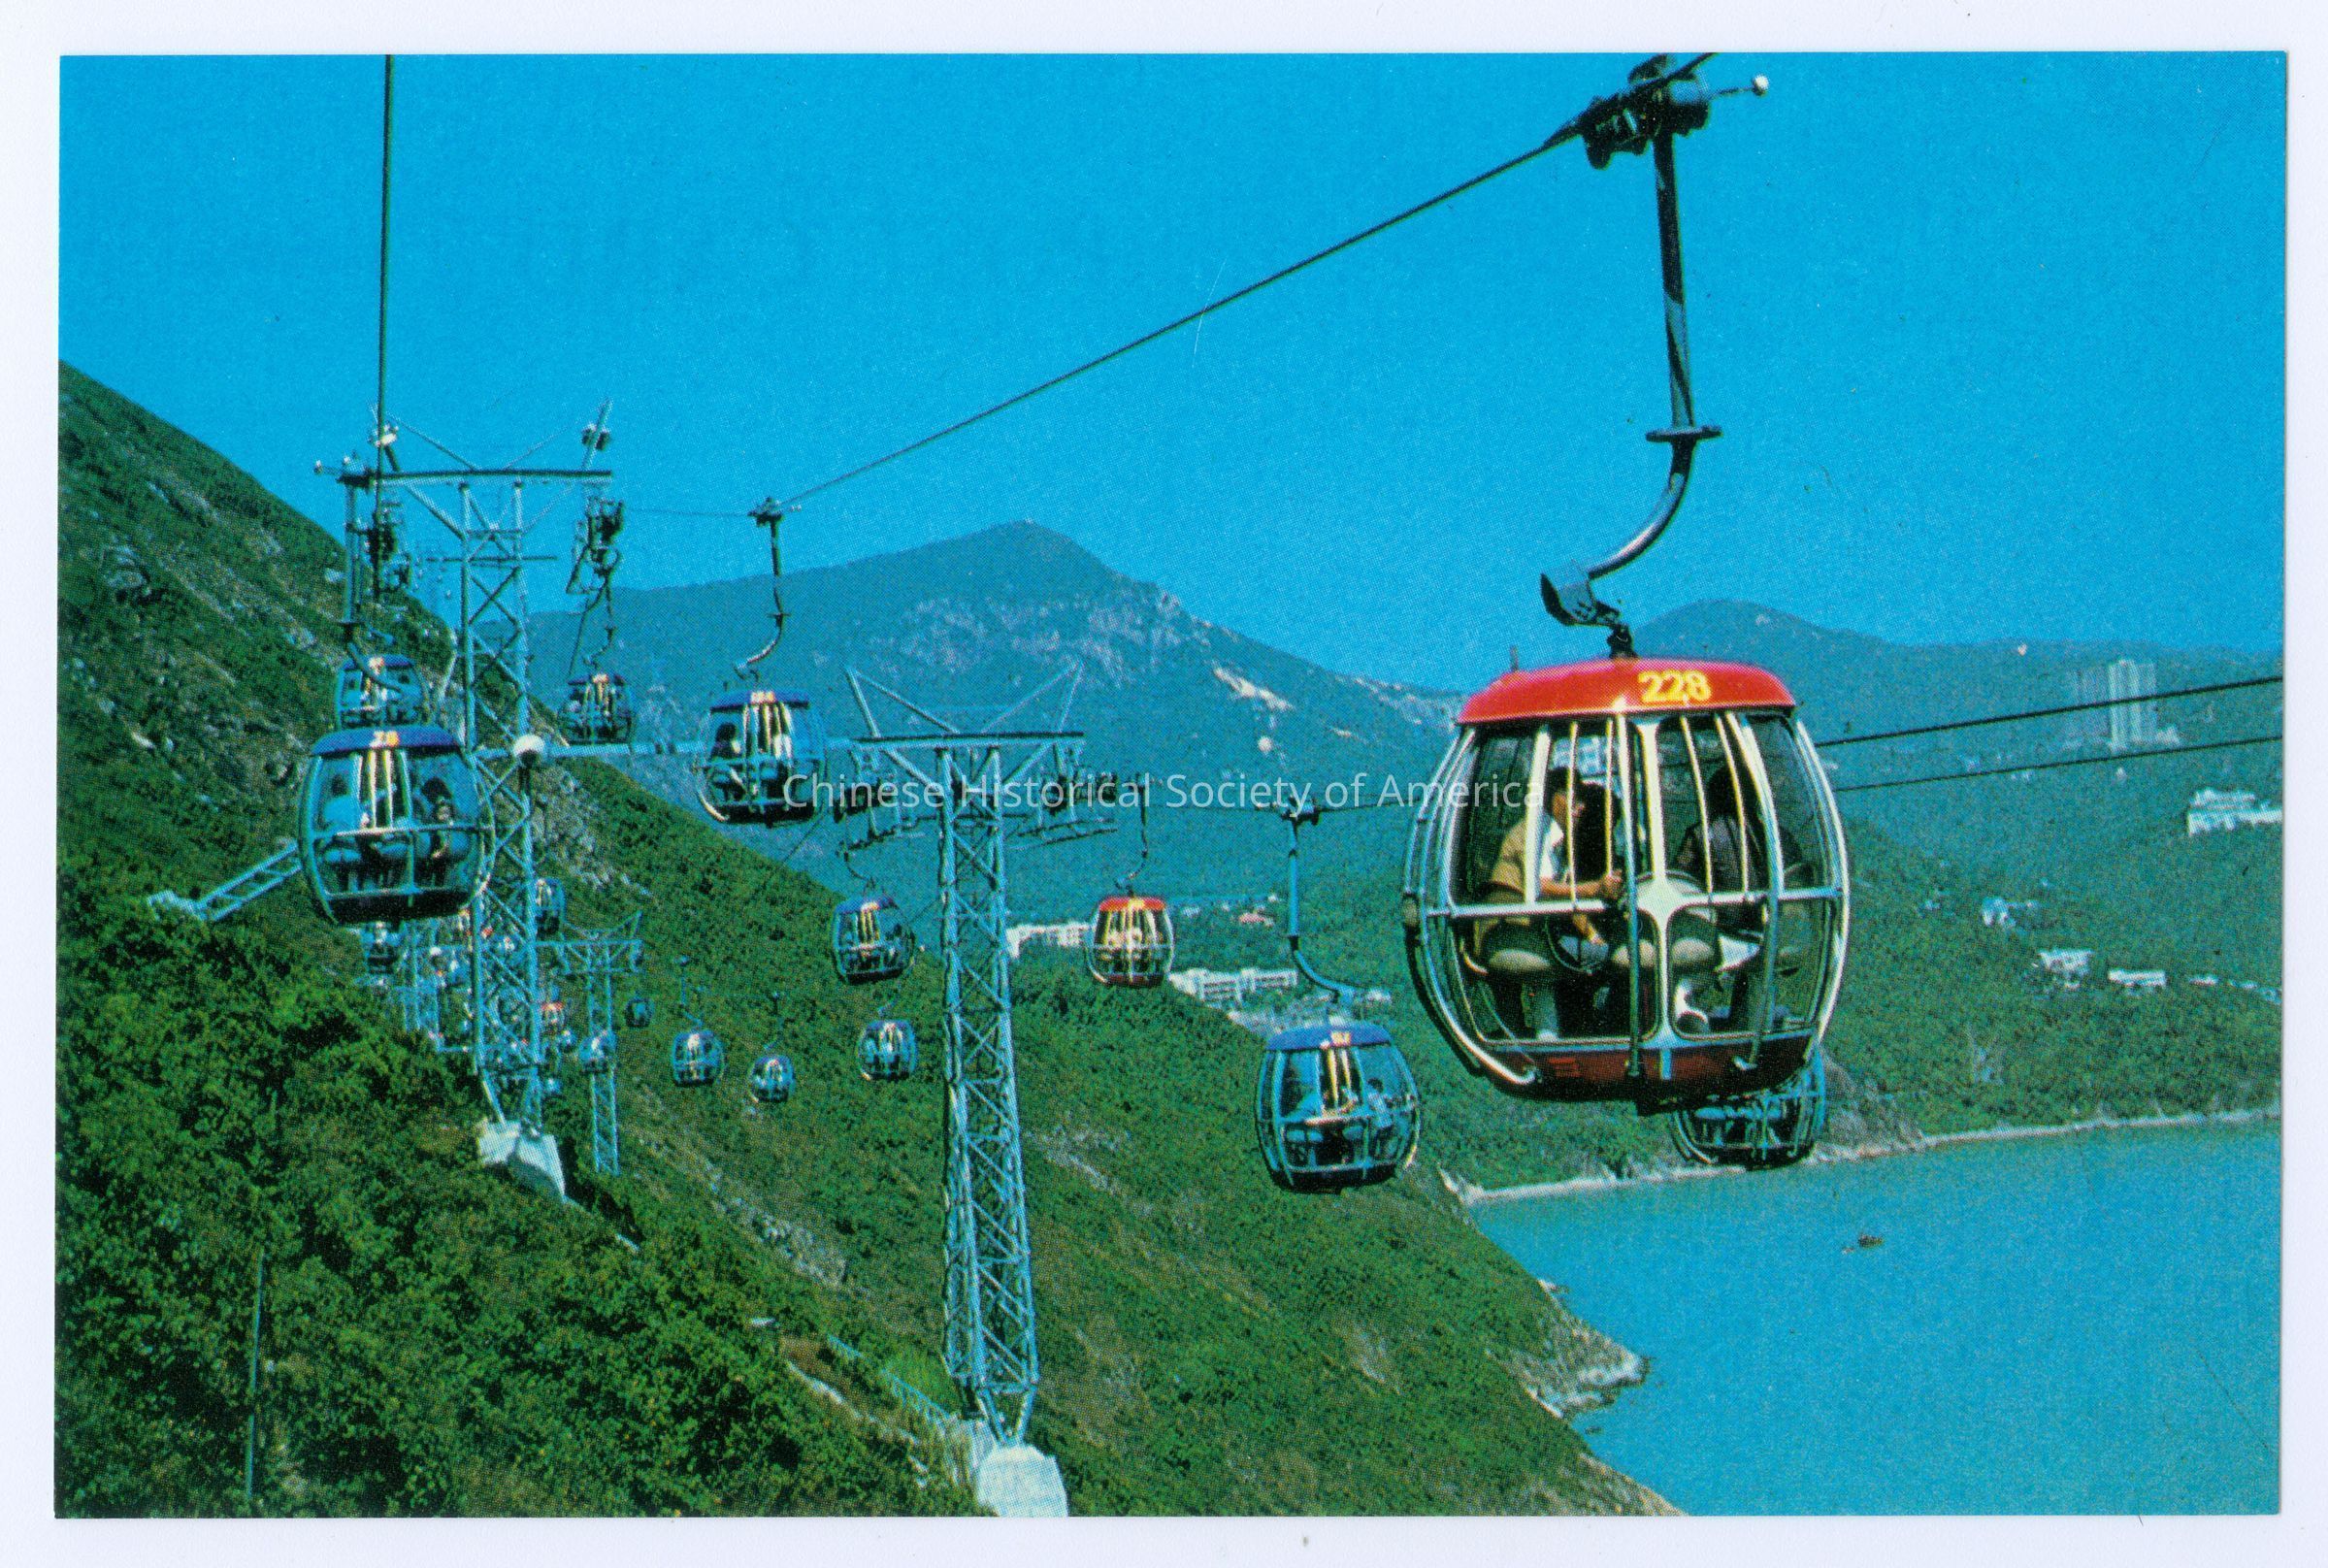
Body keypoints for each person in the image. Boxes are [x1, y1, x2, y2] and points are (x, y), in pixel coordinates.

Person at [1476, 767, 1627, 1038]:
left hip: (1519, 933)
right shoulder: (1536, 834)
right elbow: (1543, 888)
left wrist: (1592, 935)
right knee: (1614, 958)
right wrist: (1598, 888)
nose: (1580, 807)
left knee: (1556, 978)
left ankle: (1550, 1034)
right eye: (1574, 798)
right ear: (1554, 798)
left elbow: (1566, 899)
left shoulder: (1552, 839)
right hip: (1513, 934)